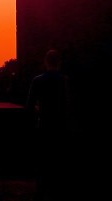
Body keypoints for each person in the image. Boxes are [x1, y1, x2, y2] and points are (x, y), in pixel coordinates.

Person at [26, 49, 71, 201]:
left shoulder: (38, 80)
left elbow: (30, 104)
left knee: (43, 158)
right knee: (59, 158)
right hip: (61, 123)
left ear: (46, 62)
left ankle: (42, 188)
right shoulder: (64, 81)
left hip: (44, 122)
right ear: (59, 63)